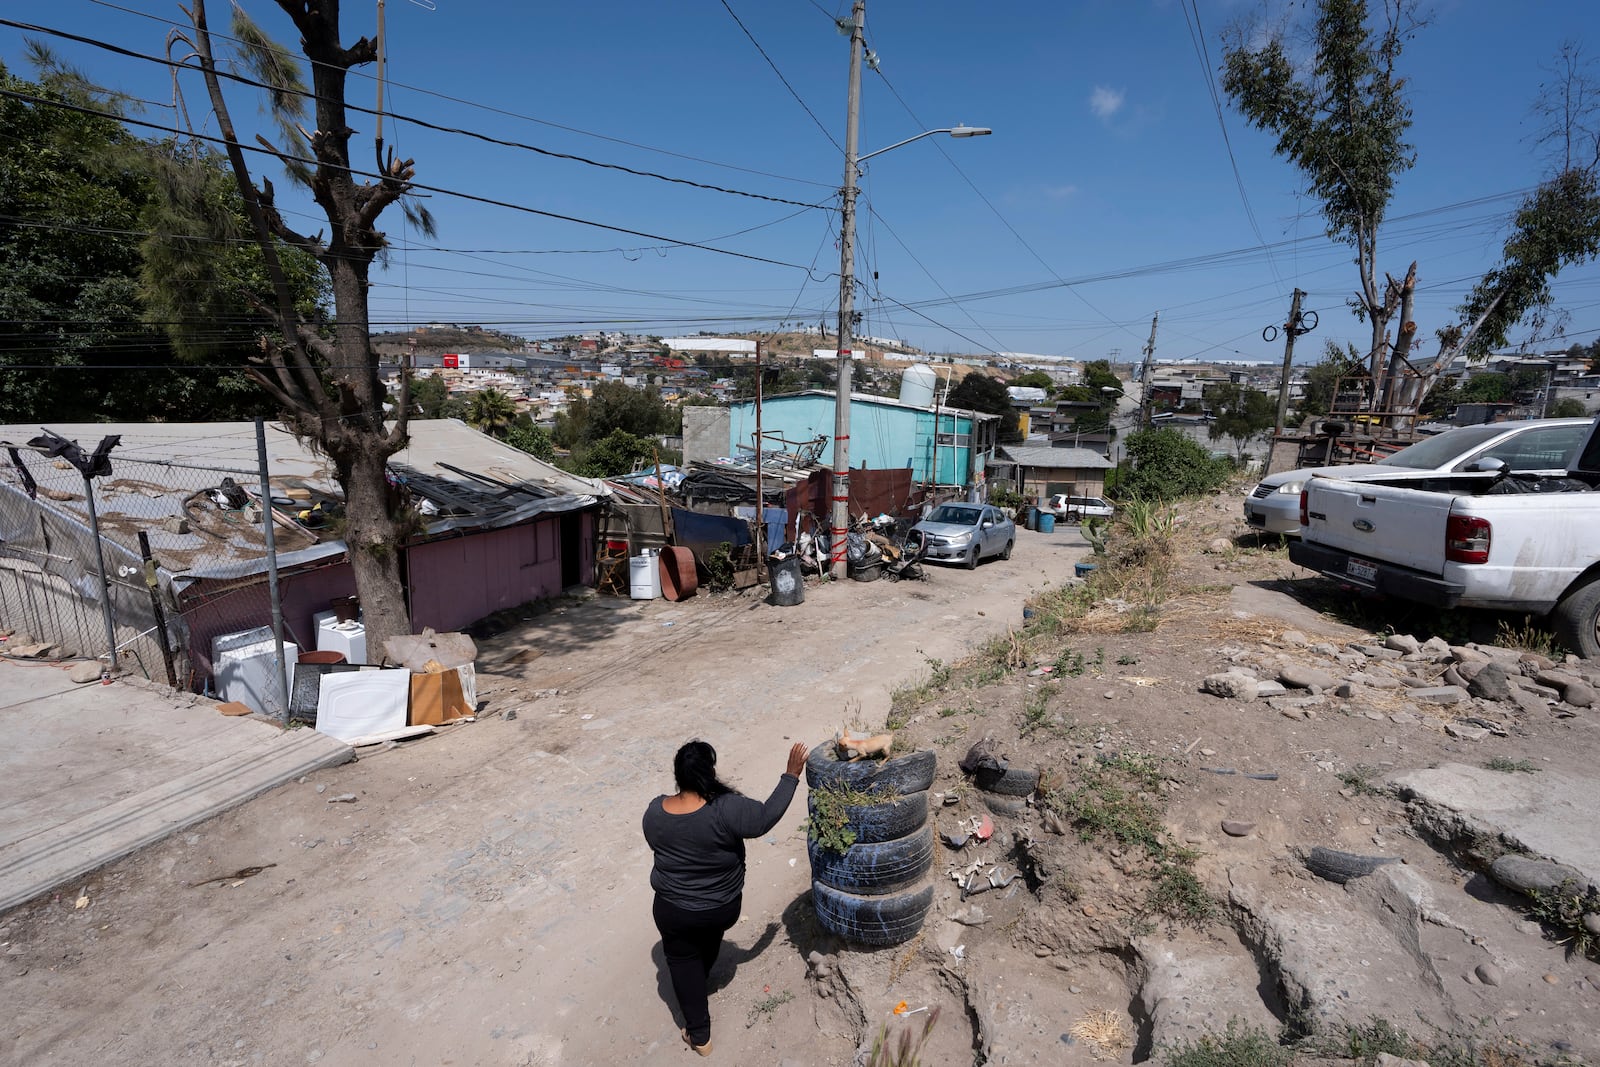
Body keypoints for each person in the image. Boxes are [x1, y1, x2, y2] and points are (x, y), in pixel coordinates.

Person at [642, 739, 808, 1056]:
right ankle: (699, 980)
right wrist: (791, 775)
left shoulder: (654, 812)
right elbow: (764, 818)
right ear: (709, 773)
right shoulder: (726, 809)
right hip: (722, 907)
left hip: (673, 910)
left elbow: (657, 843)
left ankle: (700, 1037)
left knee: (681, 958)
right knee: (704, 939)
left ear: (677, 775)